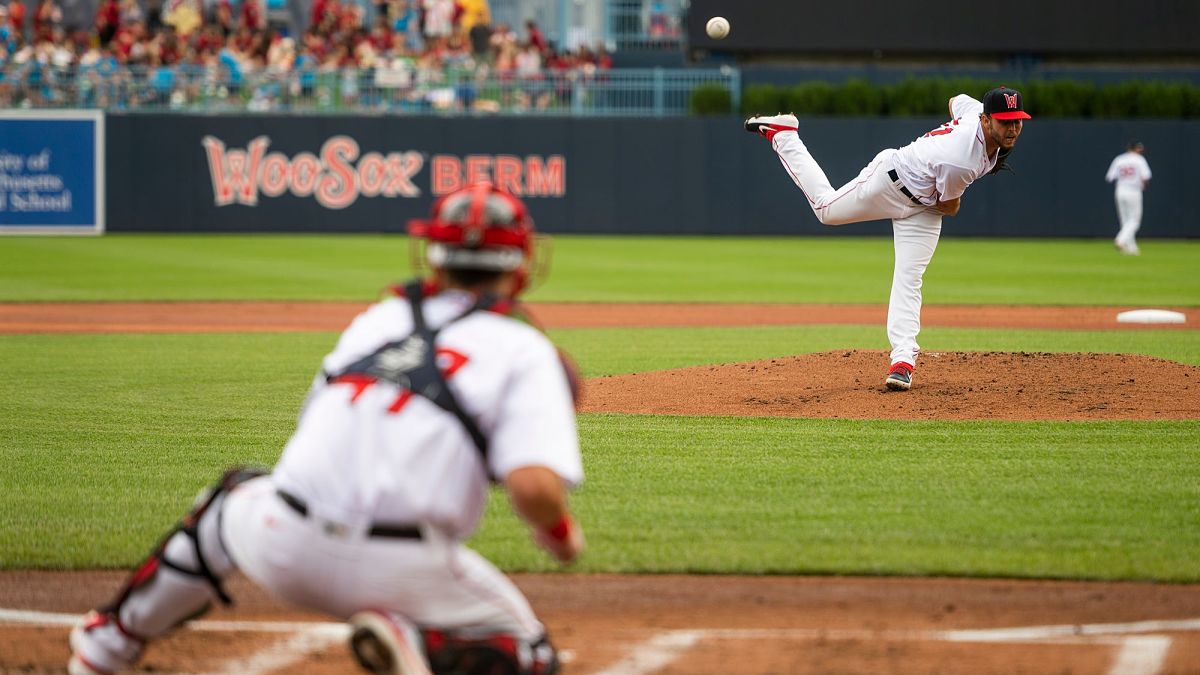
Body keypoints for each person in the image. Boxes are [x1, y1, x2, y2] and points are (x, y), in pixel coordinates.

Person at [68, 182, 585, 675]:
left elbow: (320, 418)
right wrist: (559, 536)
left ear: (431, 252)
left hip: (283, 542)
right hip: (408, 571)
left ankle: (105, 644)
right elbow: (534, 487)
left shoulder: (379, 319)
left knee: (229, 499)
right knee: (530, 656)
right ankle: (421, 636)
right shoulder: (525, 348)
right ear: (522, 261)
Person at [745, 86, 1030, 391]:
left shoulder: (975, 113)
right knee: (826, 210)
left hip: (923, 206)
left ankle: (903, 362)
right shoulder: (962, 159)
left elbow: (955, 101)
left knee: (910, 278)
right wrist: (944, 145)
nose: (1012, 128)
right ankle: (784, 134)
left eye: (1017, 120)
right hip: (891, 183)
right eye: (1004, 121)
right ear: (986, 121)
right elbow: (950, 206)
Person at [1105, 140, 1151, 256]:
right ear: (1135, 149)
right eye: (1139, 149)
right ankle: (1120, 240)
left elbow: (1110, 177)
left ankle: (1131, 247)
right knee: (1134, 221)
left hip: (1120, 190)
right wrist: (1143, 186)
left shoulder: (1119, 159)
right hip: (1134, 191)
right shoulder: (1139, 159)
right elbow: (1145, 177)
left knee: (1125, 221)